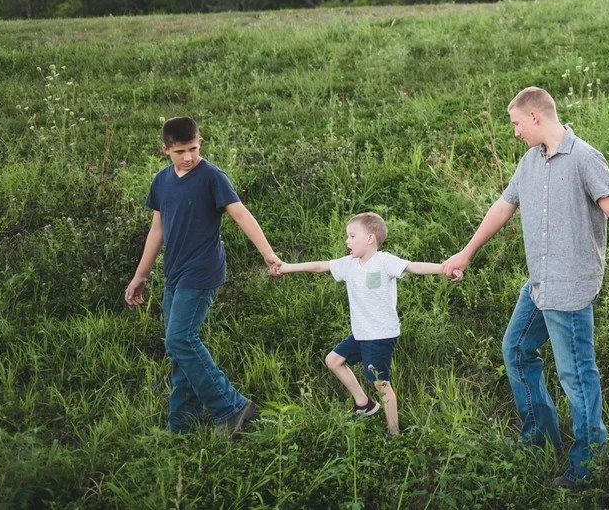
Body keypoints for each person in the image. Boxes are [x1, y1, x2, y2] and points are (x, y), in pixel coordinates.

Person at [441, 86, 609, 489]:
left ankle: (588, 463)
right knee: (516, 349)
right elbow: (503, 206)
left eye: (515, 124)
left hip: (571, 288)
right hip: (540, 282)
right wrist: (466, 253)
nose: (514, 133)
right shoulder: (530, 162)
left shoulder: (584, 158)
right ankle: (540, 436)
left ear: (535, 117)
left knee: (577, 375)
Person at [124, 116, 281, 436]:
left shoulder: (211, 176)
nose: (189, 157)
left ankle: (232, 406)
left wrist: (269, 254)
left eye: (194, 148)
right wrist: (140, 275)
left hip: (202, 270)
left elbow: (241, 214)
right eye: (181, 151)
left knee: (180, 339)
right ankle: (182, 424)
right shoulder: (162, 181)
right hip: (174, 273)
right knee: (177, 349)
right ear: (165, 149)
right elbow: (157, 229)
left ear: (200, 143)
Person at [274, 212, 448, 435]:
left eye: (352, 235)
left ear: (370, 238)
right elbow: (320, 266)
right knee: (333, 360)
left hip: (380, 335)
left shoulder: (384, 261)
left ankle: (394, 434)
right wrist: (286, 267)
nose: (347, 241)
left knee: (381, 385)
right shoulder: (349, 264)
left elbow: (413, 267)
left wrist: (444, 267)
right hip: (361, 333)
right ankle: (363, 404)